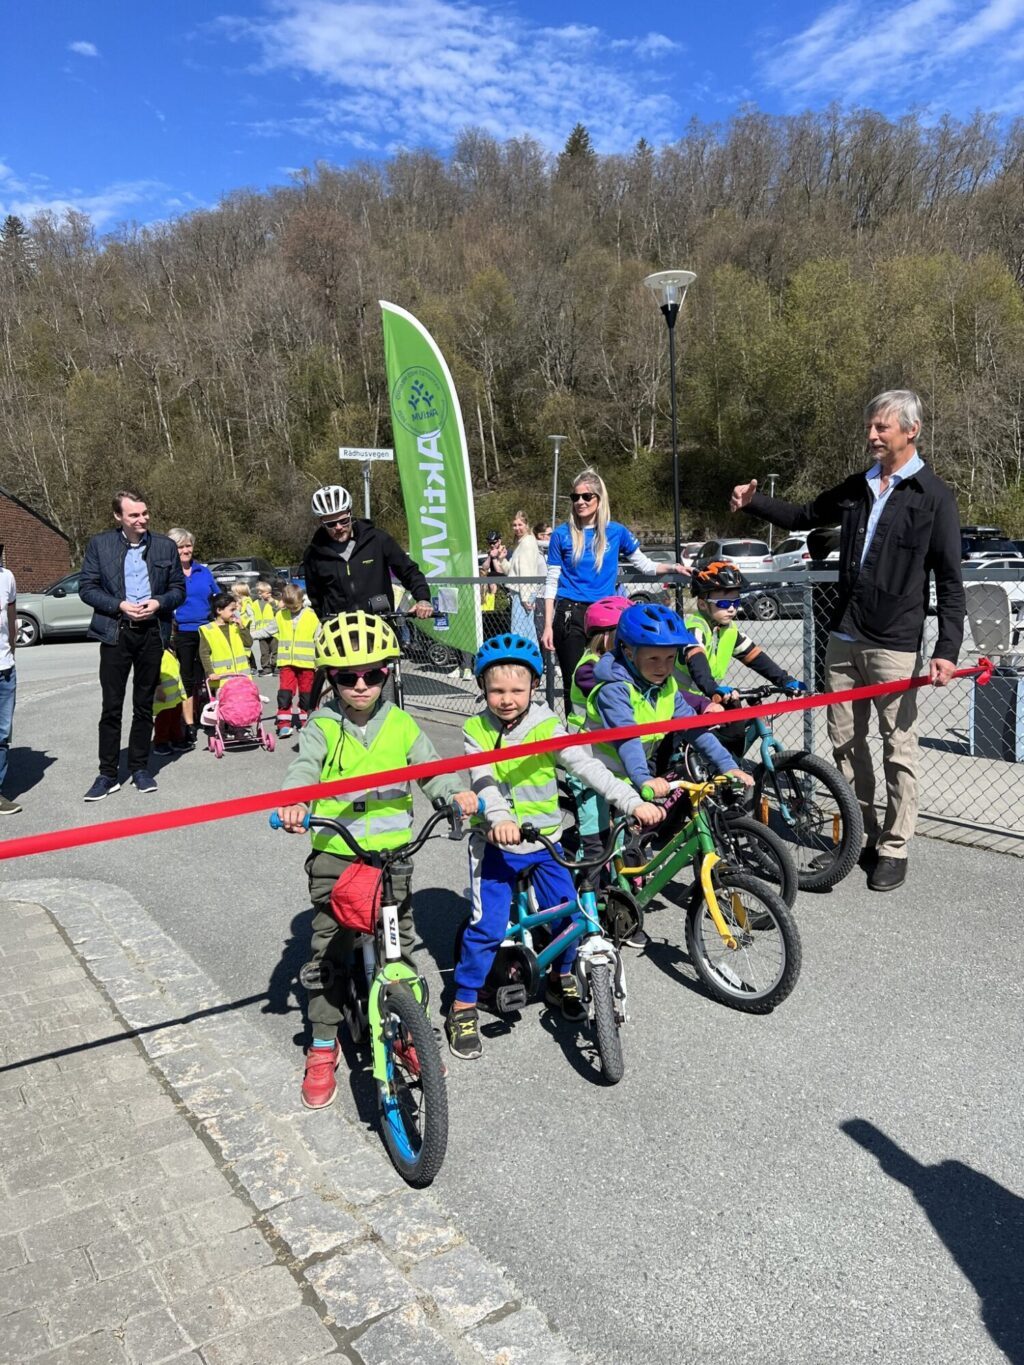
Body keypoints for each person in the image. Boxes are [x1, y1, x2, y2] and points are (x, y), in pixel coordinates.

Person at [730, 388, 965, 892]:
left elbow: (949, 581)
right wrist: (755, 503)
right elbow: (804, 515)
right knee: (845, 745)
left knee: (898, 749)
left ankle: (895, 847)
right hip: (843, 636)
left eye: (882, 427)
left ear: (911, 430)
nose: (872, 435)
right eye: (870, 427)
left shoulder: (933, 497)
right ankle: (862, 834)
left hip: (894, 645)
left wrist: (946, 650)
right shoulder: (860, 488)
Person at [274, 611, 477, 1110]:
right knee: (328, 954)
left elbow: (433, 770)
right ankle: (323, 1046)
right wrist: (296, 800)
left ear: (388, 671)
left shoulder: (402, 723)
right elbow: (304, 766)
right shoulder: (323, 725)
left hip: (391, 860)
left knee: (398, 947)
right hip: (338, 858)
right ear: (331, 678)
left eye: (372, 673)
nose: (361, 684)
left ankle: (406, 1028)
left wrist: (453, 794)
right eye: (347, 676)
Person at [445, 633, 664, 1062]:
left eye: (516, 690)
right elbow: (483, 779)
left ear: (533, 687)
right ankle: (464, 1003)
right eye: (496, 690)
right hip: (496, 842)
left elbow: (587, 766)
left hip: (543, 841)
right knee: (487, 926)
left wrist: (632, 801)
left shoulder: (548, 727)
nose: (506, 700)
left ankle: (563, 975)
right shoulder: (475, 729)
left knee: (571, 914)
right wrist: (500, 820)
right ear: (482, 689)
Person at [581, 603, 750, 946]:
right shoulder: (615, 688)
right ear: (628, 652)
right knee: (596, 848)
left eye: (670, 659)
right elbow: (627, 738)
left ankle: (625, 911)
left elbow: (694, 730)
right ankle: (589, 917)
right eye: (653, 659)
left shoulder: (667, 686)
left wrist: (729, 765)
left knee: (631, 844)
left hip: (632, 774)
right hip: (595, 773)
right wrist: (644, 780)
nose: (663, 668)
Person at [541, 468, 689, 710]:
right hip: (570, 614)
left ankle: (610, 730)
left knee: (611, 674)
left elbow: (644, 564)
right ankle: (576, 736)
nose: (580, 502)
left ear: (599, 500)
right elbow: (551, 582)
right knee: (574, 680)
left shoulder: (616, 532)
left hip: (605, 615)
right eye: (575, 497)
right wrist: (547, 625)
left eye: (586, 496)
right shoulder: (561, 535)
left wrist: (674, 567)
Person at [80, 490, 185, 800]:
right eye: (134, 515)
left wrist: (159, 602)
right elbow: (87, 588)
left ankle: (140, 767)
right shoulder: (100, 545)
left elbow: (179, 589)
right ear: (118, 517)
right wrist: (119, 605)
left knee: (143, 706)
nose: (142, 519)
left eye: (144, 513)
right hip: (115, 633)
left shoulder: (165, 547)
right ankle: (108, 774)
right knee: (111, 707)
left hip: (152, 633)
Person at [677, 561, 805, 753]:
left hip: (710, 693)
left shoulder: (728, 630)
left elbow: (755, 657)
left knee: (736, 731)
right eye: (723, 603)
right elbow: (697, 661)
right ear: (702, 603)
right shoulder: (694, 627)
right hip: (680, 697)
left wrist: (785, 679)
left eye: (736, 603)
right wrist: (713, 688)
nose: (731, 609)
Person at [302, 485, 435, 622]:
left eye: (343, 520)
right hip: (340, 632)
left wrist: (423, 599)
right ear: (321, 522)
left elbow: (409, 572)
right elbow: (315, 598)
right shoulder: (314, 555)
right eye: (331, 523)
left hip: (380, 627)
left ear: (350, 513)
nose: (339, 527)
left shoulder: (377, 540)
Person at [168, 528, 219, 746]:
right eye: (180, 546)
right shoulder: (168, 573)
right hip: (183, 632)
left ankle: (213, 716)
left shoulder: (203, 571)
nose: (185, 550)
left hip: (207, 630)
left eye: (188, 545)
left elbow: (217, 597)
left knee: (211, 675)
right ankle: (188, 723)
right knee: (187, 678)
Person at [275, 583, 320, 737]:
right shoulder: (280, 614)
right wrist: (246, 633)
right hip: (286, 663)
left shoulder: (312, 615)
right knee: (285, 694)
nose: (292, 609)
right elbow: (269, 629)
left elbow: (319, 638)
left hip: (307, 664)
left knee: (307, 694)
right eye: (289, 606)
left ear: (301, 600)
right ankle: (284, 723)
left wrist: (320, 660)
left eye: (294, 606)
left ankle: (306, 722)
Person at [504, 511, 546, 647]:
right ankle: (532, 661)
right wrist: (500, 558)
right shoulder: (521, 543)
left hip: (524, 593)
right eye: (514, 525)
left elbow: (526, 572)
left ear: (527, 525)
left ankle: (526, 661)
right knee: (526, 631)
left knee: (521, 632)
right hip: (520, 592)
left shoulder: (527, 542)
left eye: (520, 524)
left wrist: (526, 598)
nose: (517, 528)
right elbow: (512, 571)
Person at [199, 592, 253, 690]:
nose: (235, 612)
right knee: (226, 704)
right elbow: (204, 654)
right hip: (222, 679)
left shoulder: (236, 626)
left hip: (241, 676)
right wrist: (210, 672)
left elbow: (248, 643)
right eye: (232, 610)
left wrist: (242, 627)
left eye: (235, 609)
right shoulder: (208, 630)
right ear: (219, 610)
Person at [0, 556, 19, 815]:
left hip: (5, 669)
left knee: (2, 735)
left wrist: (11, 654)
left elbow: (11, 618)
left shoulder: (7, 577)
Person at [151, 643, 191, 756]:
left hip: (174, 694)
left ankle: (176, 739)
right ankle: (160, 743)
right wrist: (158, 686)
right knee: (163, 719)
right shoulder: (157, 650)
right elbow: (154, 670)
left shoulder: (170, 651)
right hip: (163, 693)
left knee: (175, 718)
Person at [248, 580, 279, 675]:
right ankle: (266, 668)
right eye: (267, 593)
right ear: (259, 593)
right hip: (261, 633)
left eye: (270, 592)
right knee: (264, 652)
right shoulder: (254, 604)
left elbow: (278, 611)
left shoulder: (274, 602)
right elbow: (251, 617)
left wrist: (272, 603)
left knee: (275, 650)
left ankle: (276, 666)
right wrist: (252, 629)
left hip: (274, 632)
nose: (269, 594)